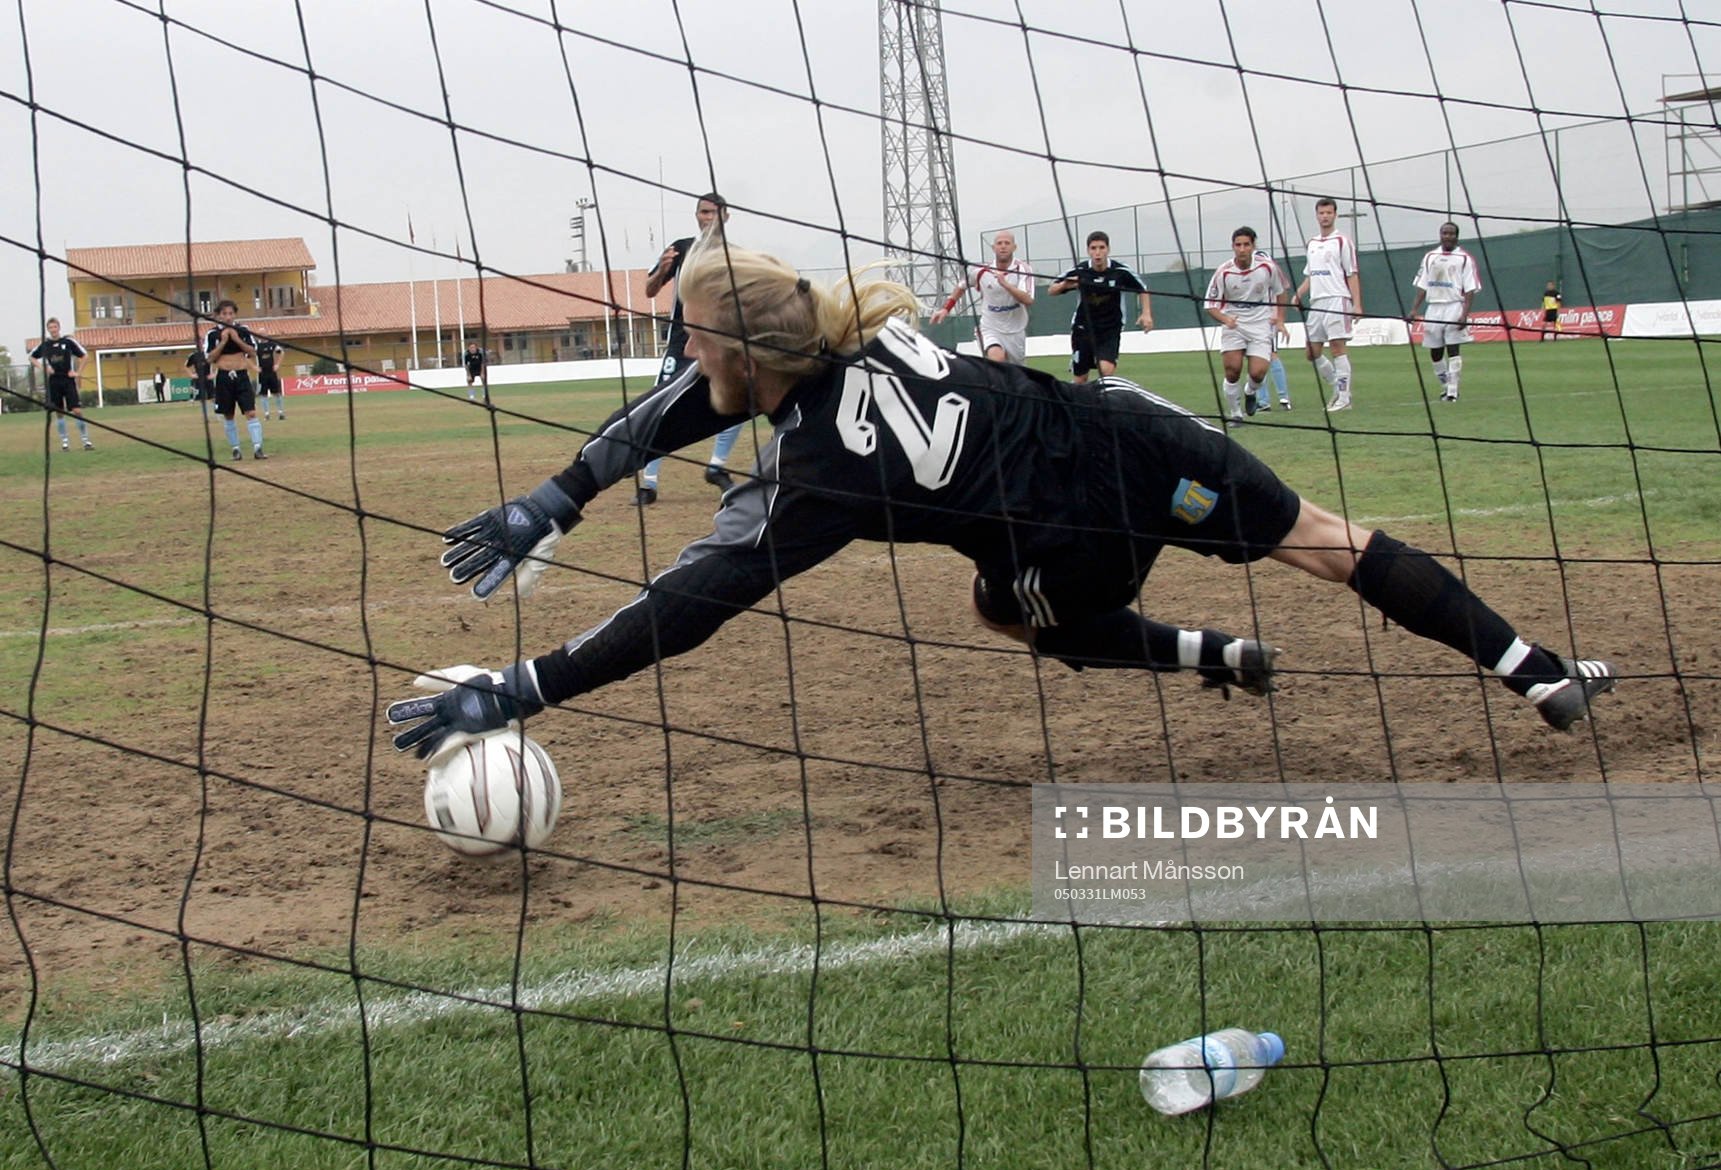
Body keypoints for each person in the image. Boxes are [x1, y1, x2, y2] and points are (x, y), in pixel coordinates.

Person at [386, 233, 1619, 767]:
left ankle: (1199, 650)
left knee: (1020, 616)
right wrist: (560, 491)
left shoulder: (815, 469)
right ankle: (1535, 668)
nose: (687, 364)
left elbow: (694, 598)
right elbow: (686, 406)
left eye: (694, 345)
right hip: (1137, 432)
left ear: (746, 360)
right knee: (1326, 543)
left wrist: (525, 686)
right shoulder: (843, 329)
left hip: (1062, 533)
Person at [633, 192, 737, 506]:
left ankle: (717, 467)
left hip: (720, 341)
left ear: (726, 216)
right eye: (703, 212)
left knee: (739, 402)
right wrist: (663, 270)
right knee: (660, 406)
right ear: (696, 215)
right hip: (682, 341)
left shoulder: (735, 257)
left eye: (714, 212)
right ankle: (648, 484)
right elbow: (650, 290)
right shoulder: (682, 248)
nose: (708, 218)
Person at [1204, 228, 1289, 423]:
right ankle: (1235, 414)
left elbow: (1281, 291)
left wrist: (1280, 319)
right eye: (1238, 245)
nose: (1242, 249)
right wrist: (1226, 320)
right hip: (1234, 323)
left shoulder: (1268, 267)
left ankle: (1250, 391)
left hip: (1260, 323)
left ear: (1253, 246)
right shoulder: (1223, 271)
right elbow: (1210, 304)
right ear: (1233, 247)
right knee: (1232, 370)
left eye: (1246, 245)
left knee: (1258, 372)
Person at [1047, 231, 1152, 383]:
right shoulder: (1080, 270)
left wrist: (1146, 313)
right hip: (1083, 329)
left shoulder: (1120, 272)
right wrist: (1066, 284)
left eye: (1101, 248)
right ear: (1088, 251)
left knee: (1106, 370)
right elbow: (1051, 290)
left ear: (1108, 249)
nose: (1098, 253)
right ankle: (1079, 402)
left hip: (1110, 328)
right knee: (1080, 379)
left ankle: (1099, 402)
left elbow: (1143, 289)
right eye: (1093, 248)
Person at [1291, 197, 1361, 411]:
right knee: (1311, 352)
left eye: (1329, 212)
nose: (1325, 216)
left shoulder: (1342, 241)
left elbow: (1352, 274)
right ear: (1317, 215)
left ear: (1335, 214)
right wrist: (1298, 294)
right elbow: (1311, 275)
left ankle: (1344, 398)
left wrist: (1357, 304)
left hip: (1337, 299)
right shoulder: (1312, 243)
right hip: (1317, 302)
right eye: (1321, 213)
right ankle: (1337, 388)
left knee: (1338, 348)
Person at [929, 230, 1035, 364]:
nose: (1003, 246)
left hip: (1015, 330)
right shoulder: (981, 271)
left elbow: (1028, 300)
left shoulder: (1023, 269)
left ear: (1014, 247)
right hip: (990, 327)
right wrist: (946, 309)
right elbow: (961, 286)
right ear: (993, 247)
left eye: (1007, 243)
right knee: (997, 359)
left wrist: (1006, 285)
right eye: (999, 243)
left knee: (1016, 372)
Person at [1405, 222, 1482, 403]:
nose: (1447, 236)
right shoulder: (1430, 256)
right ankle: (1445, 386)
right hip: (1434, 308)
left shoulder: (1465, 258)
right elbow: (1422, 285)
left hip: (1454, 306)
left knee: (1453, 350)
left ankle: (1453, 392)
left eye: (1451, 233)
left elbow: (1470, 289)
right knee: (1435, 353)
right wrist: (1414, 309)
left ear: (1457, 236)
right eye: (1444, 233)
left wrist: (1465, 314)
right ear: (1440, 235)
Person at [204, 300, 266, 460]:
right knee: (228, 414)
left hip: (242, 375)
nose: (228, 317)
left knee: (251, 412)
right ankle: (236, 449)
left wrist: (236, 338)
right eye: (224, 314)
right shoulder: (212, 334)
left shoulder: (243, 330)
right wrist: (224, 341)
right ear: (218, 315)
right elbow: (210, 358)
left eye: (231, 313)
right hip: (224, 377)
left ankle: (258, 447)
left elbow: (253, 352)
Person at [29, 318, 92, 451]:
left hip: (68, 380)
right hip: (54, 382)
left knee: (77, 411)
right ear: (48, 329)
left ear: (59, 327)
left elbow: (85, 356)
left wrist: (77, 373)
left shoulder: (68, 342)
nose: (53, 330)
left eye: (55, 327)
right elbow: (32, 357)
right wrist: (43, 368)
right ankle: (65, 442)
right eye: (50, 327)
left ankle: (86, 441)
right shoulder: (45, 345)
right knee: (59, 412)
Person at [254, 335, 287, 420]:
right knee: (263, 394)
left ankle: (281, 413)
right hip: (262, 374)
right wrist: (254, 367)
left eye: (263, 334)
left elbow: (281, 352)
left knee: (277, 393)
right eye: (260, 334)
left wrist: (277, 364)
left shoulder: (272, 344)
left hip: (272, 373)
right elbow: (247, 356)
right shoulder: (256, 345)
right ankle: (266, 414)